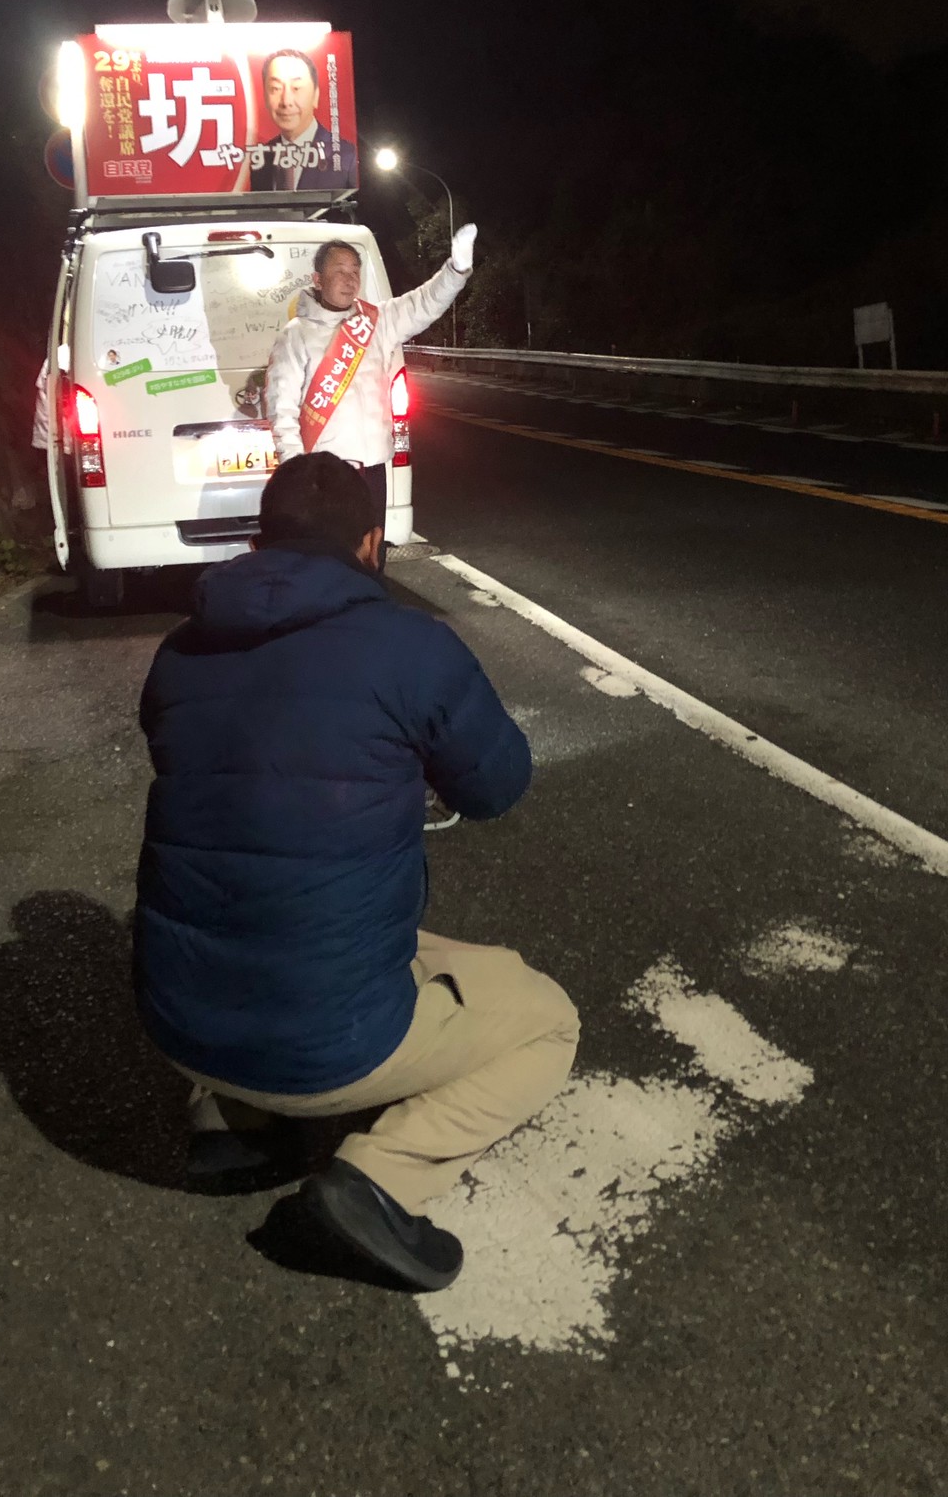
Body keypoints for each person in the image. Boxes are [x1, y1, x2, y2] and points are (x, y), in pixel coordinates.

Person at [132, 453, 580, 1291]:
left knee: (248, 894)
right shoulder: (411, 647)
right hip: (323, 1048)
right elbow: (499, 785)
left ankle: (229, 1120)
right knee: (545, 1020)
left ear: (258, 543)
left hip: (176, 1024)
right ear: (371, 545)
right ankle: (378, 1181)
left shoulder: (178, 652)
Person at [263, 225, 477, 548]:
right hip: (327, 477)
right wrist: (299, 475)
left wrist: (456, 269)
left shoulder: (377, 321)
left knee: (371, 554)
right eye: (339, 271)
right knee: (333, 557)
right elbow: (282, 412)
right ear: (317, 279)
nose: (349, 279)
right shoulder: (296, 335)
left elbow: (424, 302)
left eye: (355, 271)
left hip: (375, 469)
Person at [247, 49, 359, 192]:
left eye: (296, 88)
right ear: (265, 96)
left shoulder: (347, 155)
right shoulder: (261, 158)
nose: (286, 101)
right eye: (275, 88)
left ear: (315, 95)